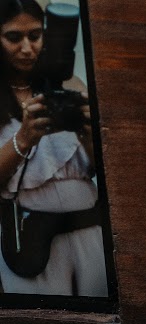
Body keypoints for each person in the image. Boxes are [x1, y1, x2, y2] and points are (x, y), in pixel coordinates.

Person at [0, 0, 105, 297]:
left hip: (89, 230)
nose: (26, 48)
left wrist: (87, 133)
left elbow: (100, 171)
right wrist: (24, 138)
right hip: (31, 240)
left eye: (35, 35)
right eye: (13, 37)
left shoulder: (70, 83)